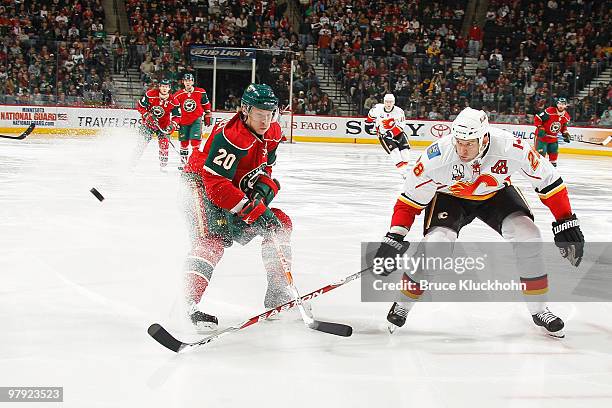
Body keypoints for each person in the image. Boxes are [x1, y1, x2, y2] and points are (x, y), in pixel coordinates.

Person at [374, 107, 584, 338]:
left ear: (484, 138)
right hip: (450, 198)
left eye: (469, 144)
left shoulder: (511, 147)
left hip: (495, 194)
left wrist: (566, 221)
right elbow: (409, 201)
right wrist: (394, 236)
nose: (462, 150)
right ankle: (403, 303)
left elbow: (549, 180)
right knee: (436, 245)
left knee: (529, 236)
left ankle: (539, 310)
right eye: (459, 142)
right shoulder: (436, 157)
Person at [180, 84, 294, 331]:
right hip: (199, 182)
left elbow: (265, 169)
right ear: (245, 110)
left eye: (270, 113)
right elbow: (215, 184)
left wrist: (261, 195)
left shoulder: (272, 131)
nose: (265, 120)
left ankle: (276, 291)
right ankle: (187, 303)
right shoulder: (232, 136)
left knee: (279, 223)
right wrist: (251, 209)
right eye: (259, 114)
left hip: (231, 185)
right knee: (213, 239)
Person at [135, 79, 181, 171]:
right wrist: (147, 115)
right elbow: (140, 106)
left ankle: (163, 166)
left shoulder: (174, 101)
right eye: (163, 86)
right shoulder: (150, 94)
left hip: (164, 126)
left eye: (166, 87)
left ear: (169, 88)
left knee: (164, 146)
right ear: (159, 86)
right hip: (149, 124)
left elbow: (177, 116)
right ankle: (133, 162)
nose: (164, 88)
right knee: (141, 144)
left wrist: (172, 126)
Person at [365, 93, 412, 177]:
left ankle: (405, 170)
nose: (388, 104)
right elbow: (370, 116)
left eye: (390, 102)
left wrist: (390, 133)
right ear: (384, 102)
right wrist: (368, 125)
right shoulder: (377, 108)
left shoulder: (399, 111)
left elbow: (401, 126)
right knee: (395, 152)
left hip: (398, 133)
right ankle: (404, 173)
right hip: (383, 135)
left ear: (394, 102)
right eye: (386, 101)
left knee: (406, 154)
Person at [173, 73, 212, 169]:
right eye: (186, 81)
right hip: (183, 121)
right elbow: (174, 109)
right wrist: (176, 121)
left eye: (190, 80)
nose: (188, 83)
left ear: (193, 82)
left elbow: (206, 104)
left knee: (195, 142)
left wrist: (208, 114)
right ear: (183, 82)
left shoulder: (200, 92)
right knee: (184, 143)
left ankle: (194, 163)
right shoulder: (178, 95)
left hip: (196, 120)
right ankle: (184, 163)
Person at [534, 97, 571, 167]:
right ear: (557, 104)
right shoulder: (550, 111)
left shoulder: (566, 116)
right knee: (540, 156)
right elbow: (537, 118)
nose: (561, 106)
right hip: (542, 137)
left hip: (553, 138)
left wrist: (565, 133)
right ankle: (538, 172)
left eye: (563, 104)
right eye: (559, 104)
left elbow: (563, 127)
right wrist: (540, 128)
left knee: (554, 155)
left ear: (566, 105)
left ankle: (552, 173)